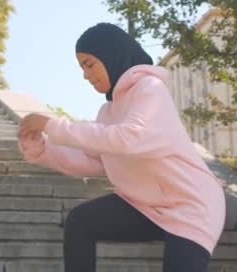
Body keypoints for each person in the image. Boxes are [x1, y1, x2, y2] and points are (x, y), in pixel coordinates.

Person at [17, 23, 226, 272]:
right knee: (81, 221)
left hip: (191, 205)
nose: (85, 74)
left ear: (111, 55)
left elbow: (129, 138)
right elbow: (93, 161)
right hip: (144, 206)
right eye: (82, 67)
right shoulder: (107, 112)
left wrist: (52, 125)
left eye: (90, 64)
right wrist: (43, 149)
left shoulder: (150, 88)